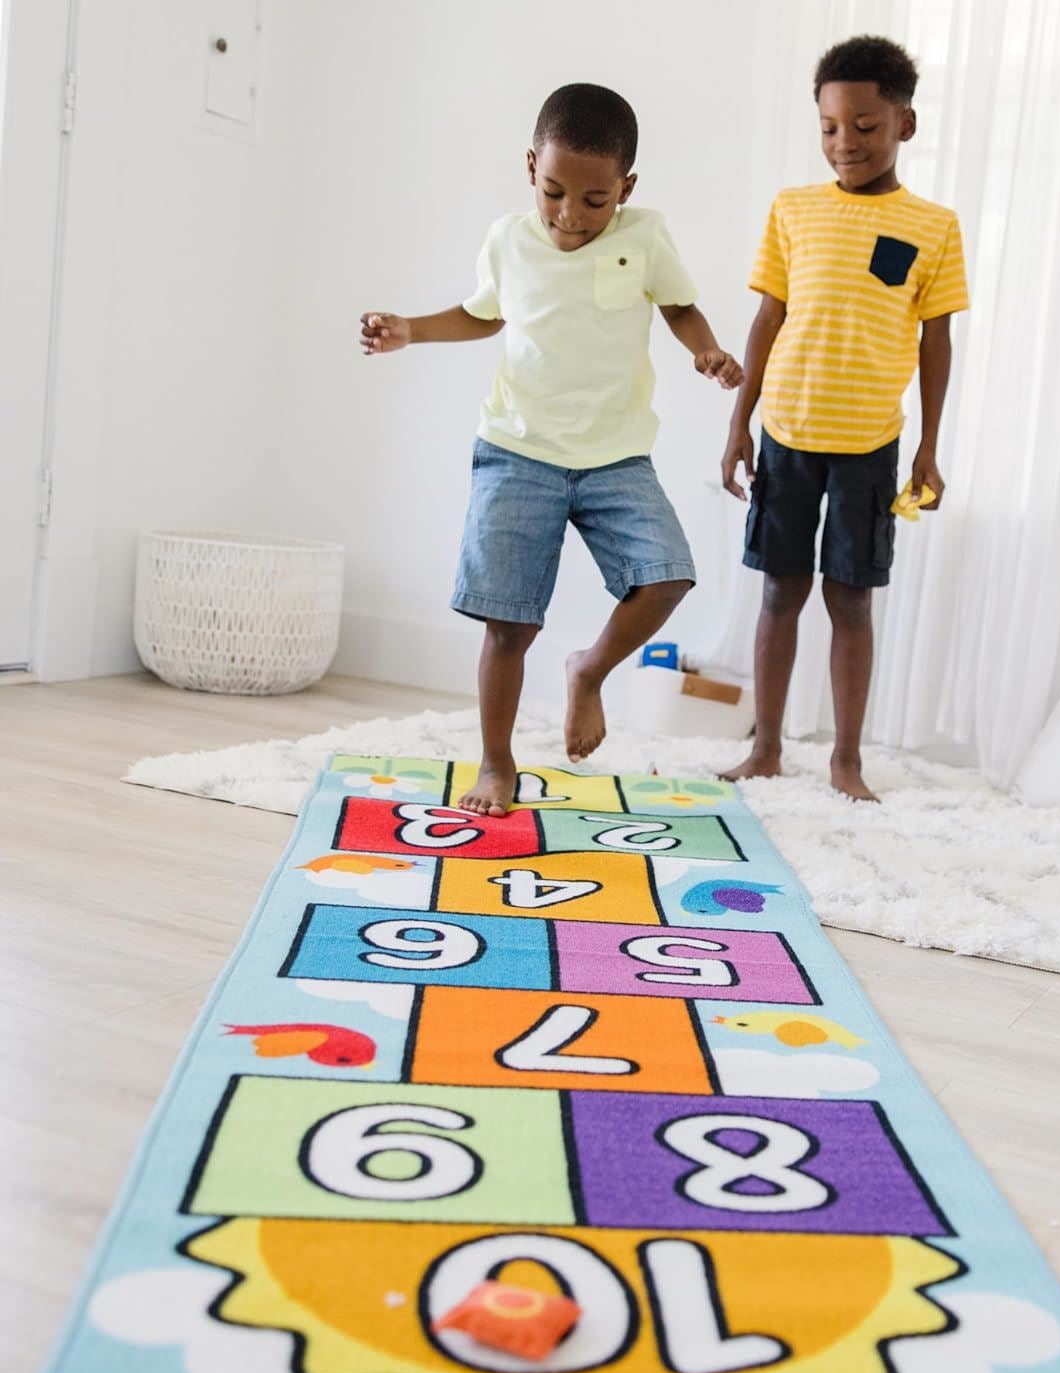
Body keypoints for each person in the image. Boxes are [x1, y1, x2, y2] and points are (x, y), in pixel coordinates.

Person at [361, 83, 742, 816]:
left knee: (666, 577)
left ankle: (588, 671)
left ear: (626, 188)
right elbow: (484, 315)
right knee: (510, 624)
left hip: (615, 458)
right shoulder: (509, 239)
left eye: (595, 201)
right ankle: (496, 764)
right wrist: (411, 329)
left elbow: (679, 306)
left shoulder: (645, 238)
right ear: (531, 167)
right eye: (554, 192)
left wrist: (708, 350)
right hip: (518, 451)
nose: (570, 215)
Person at [721, 36, 967, 801]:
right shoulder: (793, 209)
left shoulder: (934, 226)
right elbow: (767, 319)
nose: (845, 143)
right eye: (830, 127)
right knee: (778, 593)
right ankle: (765, 747)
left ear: (905, 125)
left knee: (851, 600)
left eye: (865, 126)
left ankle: (846, 760)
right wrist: (738, 424)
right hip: (787, 434)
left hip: (870, 445)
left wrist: (929, 447)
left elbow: (935, 340)